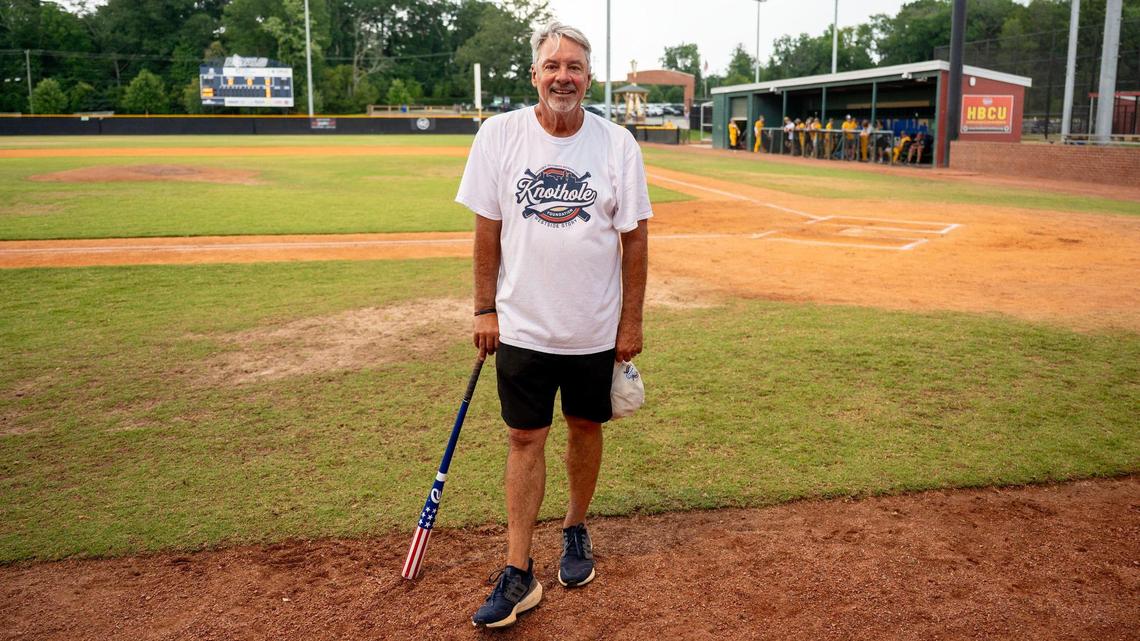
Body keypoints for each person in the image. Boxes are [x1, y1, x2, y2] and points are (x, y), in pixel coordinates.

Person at [456, 21, 651, 629]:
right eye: (553, 65)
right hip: (522, 326)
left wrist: (631, 320)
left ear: (588, 78)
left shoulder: (617, 144)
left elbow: (635, 237)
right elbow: (487, 228)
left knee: (585, 428)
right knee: (523, 439)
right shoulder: (499, 136)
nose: (563, 76)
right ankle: (518, 570)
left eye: (575, 67)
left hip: (594, 327)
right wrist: (484, 307)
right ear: (535, 74)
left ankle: (574, 528)